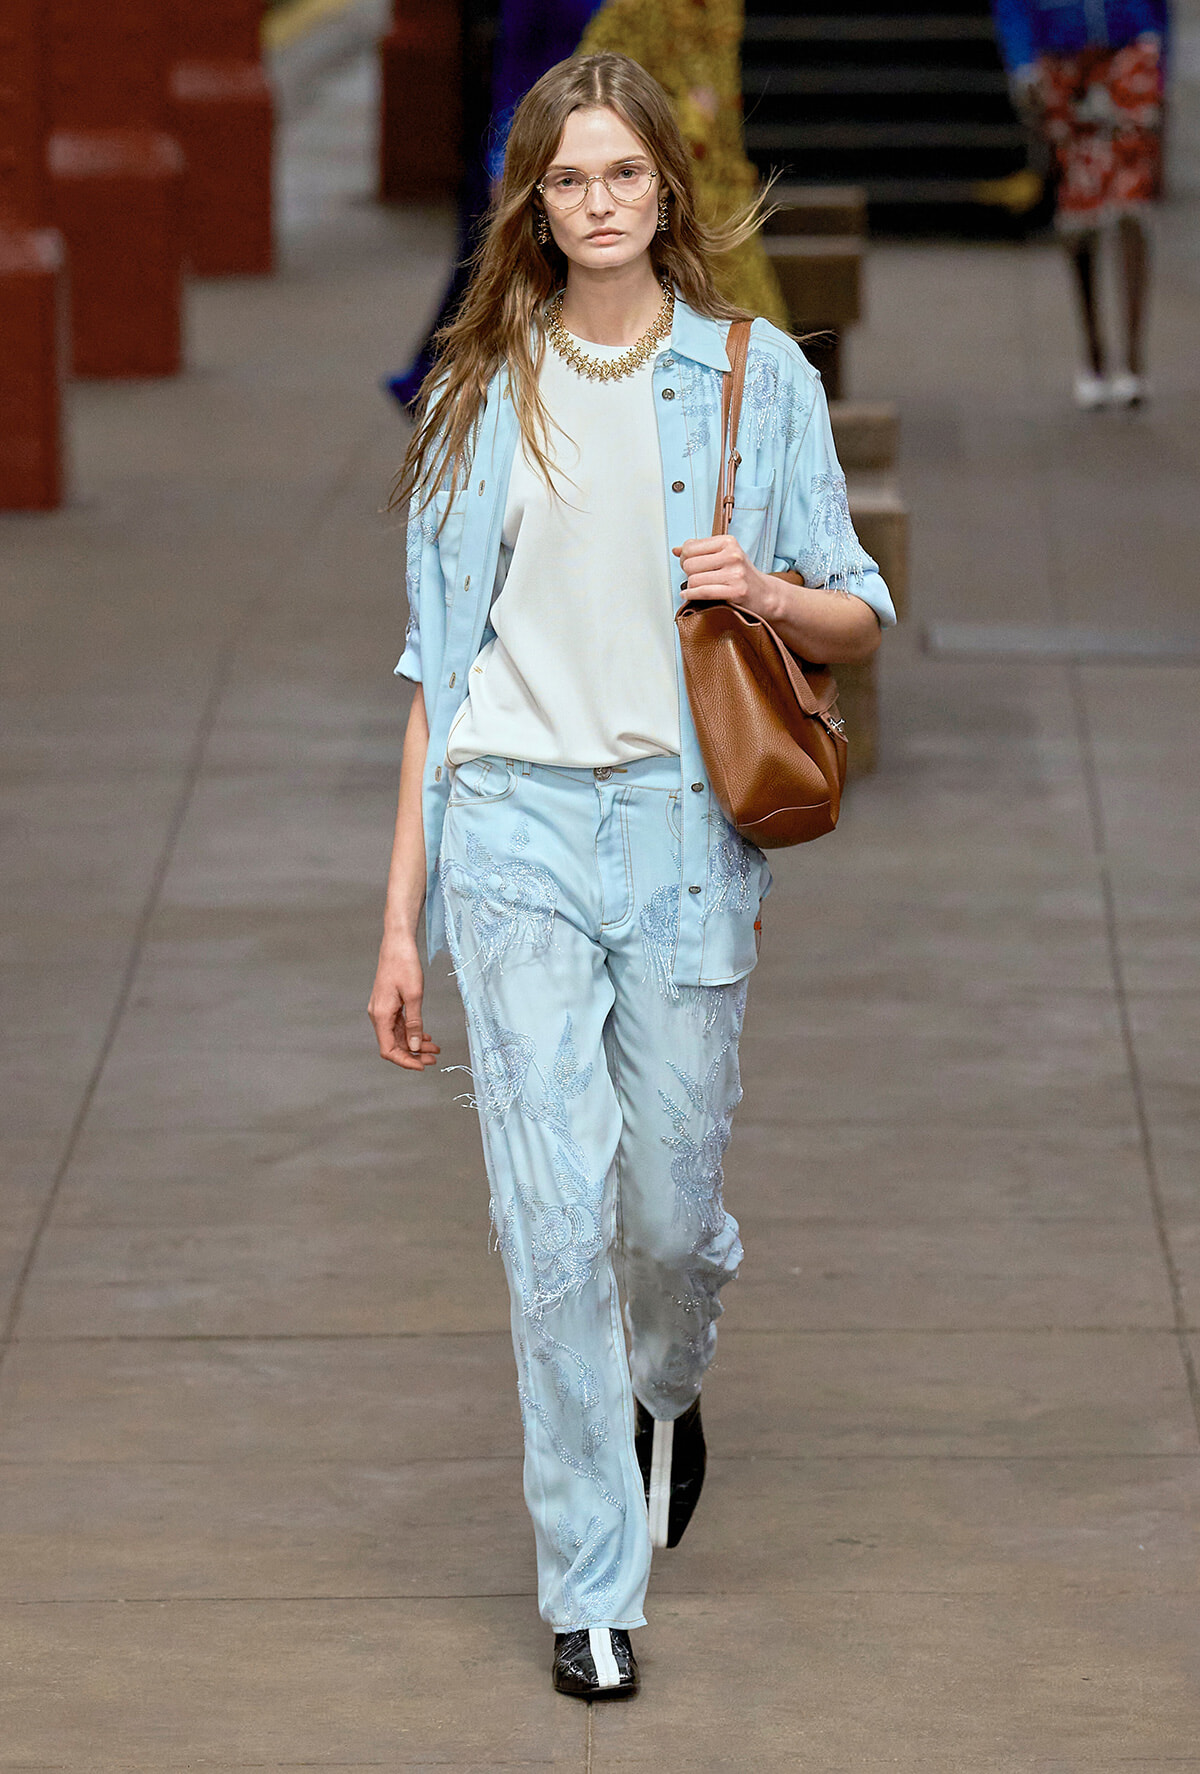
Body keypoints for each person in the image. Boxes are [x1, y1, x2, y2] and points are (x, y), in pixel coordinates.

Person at [369, 50, 895, 1700]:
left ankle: (673, 1376)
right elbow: (434, 680)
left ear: (670, 189)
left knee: (662, 1218)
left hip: (682, 837)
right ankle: (590, 1584)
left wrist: (773, 590)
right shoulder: (478, 393)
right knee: (549, 1226)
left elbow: (861, 611)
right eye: (565, 179)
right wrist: (401, 916)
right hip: (512, 832)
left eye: (622, 174)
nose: (596, 203)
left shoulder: (754, 378)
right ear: (533, 204)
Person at [991, 0, 1169, 408]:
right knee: (1079, 211)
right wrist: (1022, 62)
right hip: (1063, 53)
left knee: (1131, 203)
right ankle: (1094, 353)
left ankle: (1133, 360)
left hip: (1130, 46)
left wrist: (1162, 58)